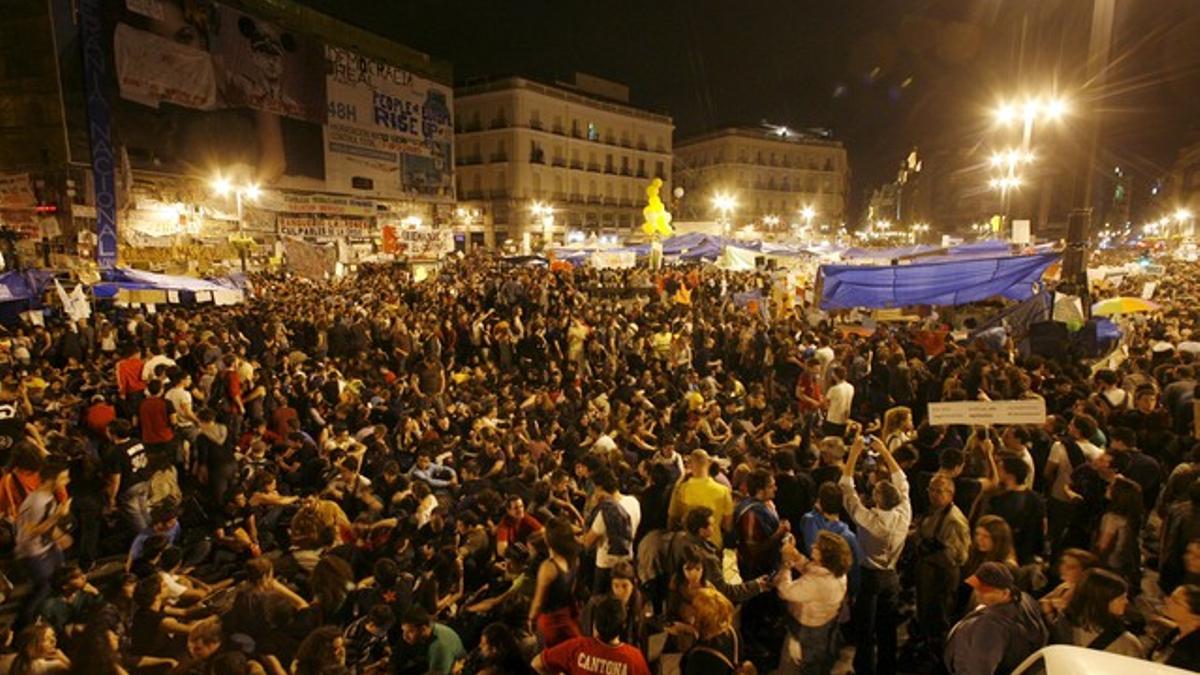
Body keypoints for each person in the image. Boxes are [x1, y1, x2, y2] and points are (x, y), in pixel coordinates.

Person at [840, 434, 911, 675]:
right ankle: (888, 667)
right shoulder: (904, 514)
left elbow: (847, 489)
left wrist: (854, 453)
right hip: (892, 576)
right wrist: (884, 451)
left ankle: (864, 670)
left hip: (870, 579)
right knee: (887, 628)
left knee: (866, 631)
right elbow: (903, 481)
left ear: (878, 500)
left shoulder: (869, 521)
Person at [944, 562, 1048, 675]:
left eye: (985, 591)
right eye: (977, 587)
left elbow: (978, 670)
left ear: (1005, 593)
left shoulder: (991, 626)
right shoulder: (1024, 599)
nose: (978, 594)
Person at [775, 531, 852, 675]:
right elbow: (810, 568)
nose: (812, 546)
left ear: (825, 556)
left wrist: (786, 565)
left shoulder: (819, 583)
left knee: (798, 667)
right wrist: (795, 555)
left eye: (817, 547)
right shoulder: (835, 571)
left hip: (807, 632)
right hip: (824, 626)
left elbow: (785, 591)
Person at [913, 474, 970, 663]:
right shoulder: (934, 511)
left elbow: (957, 556)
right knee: (925, 613)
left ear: (950, 494)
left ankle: (939, 657)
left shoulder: (954, 520)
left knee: (939, 616)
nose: (933, 494)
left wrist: (930, 556)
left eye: (939, 491)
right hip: (926, 572)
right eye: (931, 490)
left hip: (941, 576)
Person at [14, 459, 72, 627]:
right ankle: (23, 625)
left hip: (47, 546)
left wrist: (60, 536)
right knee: (44, 588)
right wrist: (58, 516)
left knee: (61, 579)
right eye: (63, 478)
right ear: (51, 479)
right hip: (33, 552)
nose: (66, 482)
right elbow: (30, 531)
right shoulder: (37, 502)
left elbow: (46, 525)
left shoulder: (47, 497)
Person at [533, 596, 651, 675]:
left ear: (595, 623)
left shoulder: (577, 647)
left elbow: (536, 663)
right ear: (623, 626)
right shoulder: (634, 659)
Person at [1050, 568, 1143, 657]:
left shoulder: (1059, 626)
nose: (1126, 601)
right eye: (1121, 598)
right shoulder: (1126, 643)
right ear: (1103, 601)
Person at [528, 518, 583, 648]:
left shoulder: (548, 567)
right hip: (568, 616)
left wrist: (531, 618)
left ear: (549, 540)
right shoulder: (575, 559)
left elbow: (538, 602)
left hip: (551, 622)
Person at [668, 449, 734, 548]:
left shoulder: (681, 490)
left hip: (688, 546)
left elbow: (672, 520)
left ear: (689, 466)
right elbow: (727, 525)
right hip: (714, 544)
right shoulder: (723, 491)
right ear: (708, 464)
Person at [394, 606, 466, 675]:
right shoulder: (429, 628)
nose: (405, 636)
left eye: (410, 632)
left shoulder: (439, 647)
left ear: (423, 629)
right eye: (403, 631)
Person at [1155, 584, 1200, 670]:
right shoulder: (1174, 634)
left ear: (1195, 615)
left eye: (1175, 601)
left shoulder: (1196, 647)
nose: (1166, 600)